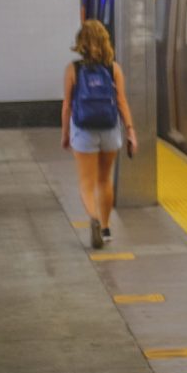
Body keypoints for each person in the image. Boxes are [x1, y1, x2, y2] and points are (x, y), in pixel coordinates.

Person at [63, 18, 138, 249]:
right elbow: (122, 101)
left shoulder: (73, 69)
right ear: (106, 41)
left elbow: (67, 105)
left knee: (87, 183)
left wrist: (65, 133)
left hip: (84, 131)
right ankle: (105, 228)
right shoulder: (114, 69)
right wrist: (130, 131)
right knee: (105, 180)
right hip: (109, 129)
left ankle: (93, 218)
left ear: (81, 43)